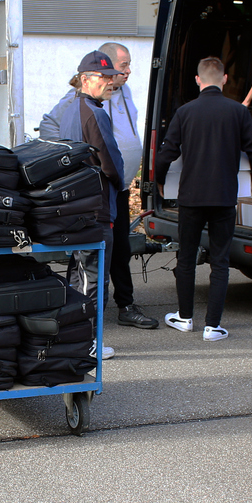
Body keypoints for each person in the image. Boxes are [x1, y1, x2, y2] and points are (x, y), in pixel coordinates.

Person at [38, 49, 158, 332]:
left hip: (81, 205)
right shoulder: (93, 114)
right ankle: (91, 341)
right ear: (85, 79)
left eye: (110, 77)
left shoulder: (76, 109)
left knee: (81, 274)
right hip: (97, 205)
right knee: (94, 276)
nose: (109, 82)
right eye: (103, 77)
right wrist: (120, 184)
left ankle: (77, 337)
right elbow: (110, 161)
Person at [153, 56, 252, 342]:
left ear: (198, 80)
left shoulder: (185, 112)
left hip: (191, 197)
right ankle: (213, 326)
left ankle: (185, 317)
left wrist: (160, 183)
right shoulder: (237, 112)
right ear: (224, 79)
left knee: (186, 257)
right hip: (224, 197)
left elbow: (166, 153)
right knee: (221, 260)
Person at [96, 42, 156, 330]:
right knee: (103, 248)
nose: (130, 71)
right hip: (100, 188)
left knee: (120, 246)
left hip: (120, 186)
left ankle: (125, 304)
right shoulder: (83, 100)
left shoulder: (125, 92)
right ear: (106, 67)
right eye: (124, 65)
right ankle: (95, 310)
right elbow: (52, 126)